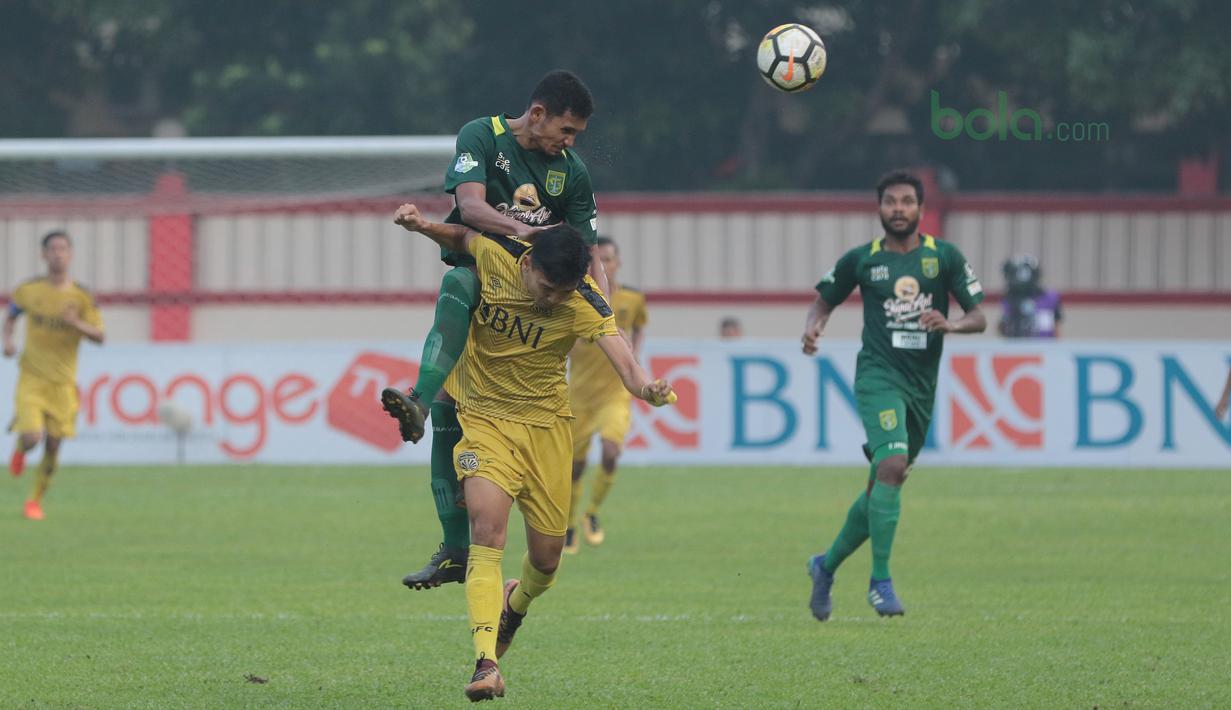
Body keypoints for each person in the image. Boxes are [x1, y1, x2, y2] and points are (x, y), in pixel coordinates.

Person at [388, 203, 674, 701]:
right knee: (487, 529)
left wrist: (647, 388)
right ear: (526, 264)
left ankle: (514, 608)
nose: (553, 300)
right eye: (547, 288)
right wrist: (421, 225)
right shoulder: (500, 253)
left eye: (563, 293)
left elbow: (624, 360)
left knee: (545, 562)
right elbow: (460, 236)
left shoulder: (581, 300)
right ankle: (485, 664)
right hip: (485, 421)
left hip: (546, 431)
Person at [384, 70, 604, 591]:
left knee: (459, 287)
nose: (569, 143)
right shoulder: (481, 135)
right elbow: (474, 207)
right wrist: (526, 229)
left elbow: (587, 256)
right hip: (485, 289)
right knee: (444, 405)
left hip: (530, 312)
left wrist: (604, 317)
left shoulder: (571, 172)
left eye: (575, 136)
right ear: (537, 115)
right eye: (566, 131)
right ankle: (454, 551)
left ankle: (422, 394)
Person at [800, 170, 986, 619]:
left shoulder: (944, 257)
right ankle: (880, 582)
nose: (898, 209)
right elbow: (825, 298)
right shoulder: (863, 260)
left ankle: (824, 566)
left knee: (885, 481)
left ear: (921, 210)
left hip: (920, 386)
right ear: (879, 208)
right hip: (878, 377)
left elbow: (979, 316)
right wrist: (813, 326)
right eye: (890, 202)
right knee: (893, 463)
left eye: (906, 202)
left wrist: (952, 324)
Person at [3, 231, 105, 520]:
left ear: (70, 255)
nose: (58, 254)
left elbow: (100, 336)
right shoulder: (29, 290)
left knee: (54, 444)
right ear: (43, 255)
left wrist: (76, 324)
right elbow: (11, 316)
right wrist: (8, 342)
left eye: (63, 249)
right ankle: (22, 448)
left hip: (63, 383)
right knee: (34, 437)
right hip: (32, 378)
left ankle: (34, 501)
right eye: (52, 249)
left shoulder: (81, 297)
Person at [563, 236, 648, 553]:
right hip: (579, 396)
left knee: (611, 453)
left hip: (614, 394)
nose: (602, 266)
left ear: (618, 262)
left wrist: (634, 355)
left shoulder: (632, 299)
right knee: (575, 467)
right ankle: (569, 524)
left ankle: (592, 512)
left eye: (608, 259)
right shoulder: (573, 299)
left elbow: (638, 326)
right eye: (595, 261)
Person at [998, 254, 1062, 338]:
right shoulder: (1009, 298)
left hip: (1045, 348)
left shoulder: (1050, 298)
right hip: (1019, 348)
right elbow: (1005, 328)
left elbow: (1056, 328)